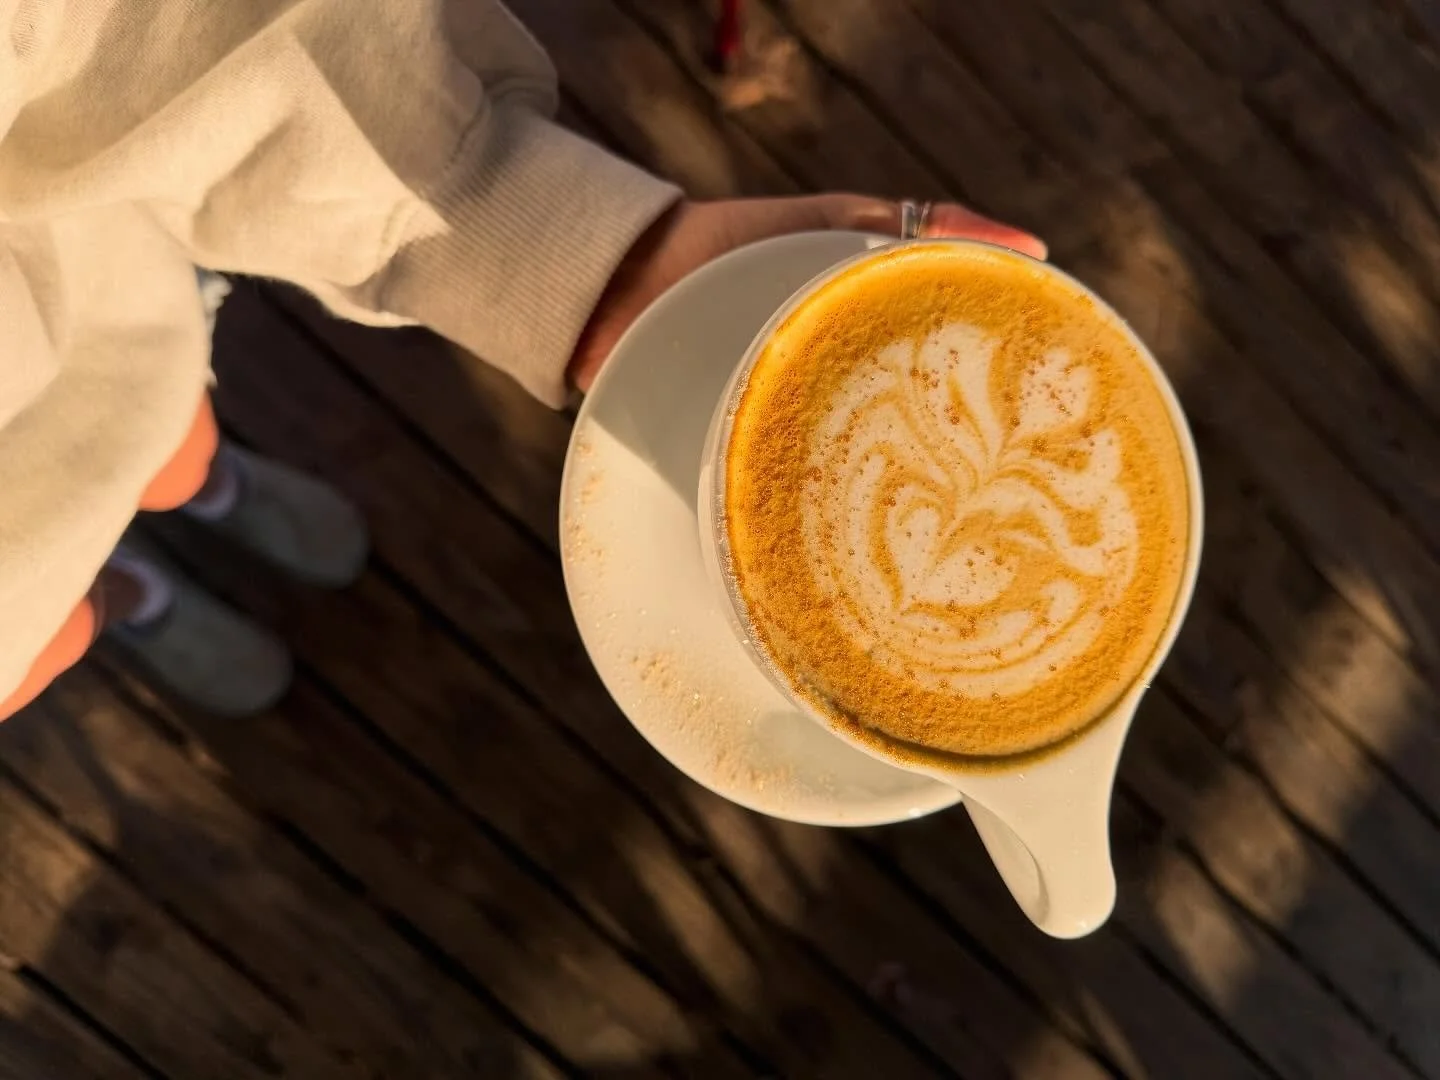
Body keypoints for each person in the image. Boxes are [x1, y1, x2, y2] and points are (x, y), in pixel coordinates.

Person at [0, 0, 1045, 722]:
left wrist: (528, 231)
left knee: (164, 437)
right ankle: (137, 594)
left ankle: (204, 488)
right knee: (73, 597)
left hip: (93, 299)